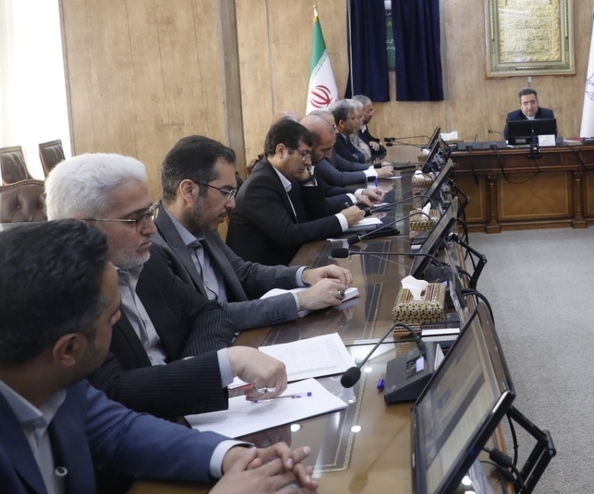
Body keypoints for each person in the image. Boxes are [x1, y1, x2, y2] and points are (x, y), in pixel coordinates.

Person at [0, 220, 318, 494]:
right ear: (68, 350)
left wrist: (233, 456)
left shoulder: (35, 363)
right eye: (113, 317)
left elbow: (117, 429)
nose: (120, 322)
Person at [46, 154, 288, 419]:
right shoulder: (64, 299)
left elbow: (209, 313)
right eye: (135, 219)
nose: (151, 228)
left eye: (149, 213)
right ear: (80, 228)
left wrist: (193, 370)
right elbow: (112, 393)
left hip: (191, 412)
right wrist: (221, 365)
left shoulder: (148, 258)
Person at [153, 135, 354, 331]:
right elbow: (205, 316)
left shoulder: (203, 223)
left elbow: (243, 273)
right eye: (225, 192)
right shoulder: (154, 250)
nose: (232, 204)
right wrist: (301, 300)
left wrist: (305, 275)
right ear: (189, 191)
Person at [226, 118, 367, 267]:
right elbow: (289, 234)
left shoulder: (288, 175)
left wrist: (308, 183)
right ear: (281, 151)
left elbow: (318, 216)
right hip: (264, 273)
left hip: (293, 260)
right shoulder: (259, 185)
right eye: (304, 154)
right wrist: (342, 220)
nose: (308, 162)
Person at [352, 94, 386, 160]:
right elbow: (370, 150)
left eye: (372, 110)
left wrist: (375, 144)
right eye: (369, 111)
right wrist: (371, 145)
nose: (371, 114)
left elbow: (381, 148)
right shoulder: (352, 129)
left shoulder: (364, 126)